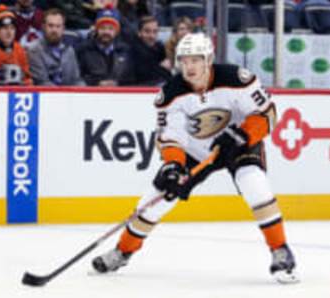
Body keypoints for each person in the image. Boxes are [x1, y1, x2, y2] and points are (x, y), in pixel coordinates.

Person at [91, 33, 299, 284]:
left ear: (208, 60)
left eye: (195, 60)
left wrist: (241, 135)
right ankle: (122, 251)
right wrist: (173, 165)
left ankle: (280, 250)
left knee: (255, 186)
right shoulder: (170, 94)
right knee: (155, 200)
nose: (189, 66)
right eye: (184, 60)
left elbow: (267, 115)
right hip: (196, 152)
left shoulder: (237, 79)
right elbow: (172, 137)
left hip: (239, 143)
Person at [75, 7, 135, 86]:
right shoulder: (83, 49)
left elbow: (131, 78)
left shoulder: (125, 51)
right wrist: (97, 83)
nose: (106, 32)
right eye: (102, 28)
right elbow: (77, 78)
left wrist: (118, 83)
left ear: (116, 31)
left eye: (110, 29)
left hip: (119, 95)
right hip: (91, 94)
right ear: (96, 29)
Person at [27, 9, 84, 86]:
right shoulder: (34, 49)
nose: (54, 30)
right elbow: (42, 82)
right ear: (43, 27)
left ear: (63, 28)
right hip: (46, 96)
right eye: (50, 26)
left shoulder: (69, 50)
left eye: (58, 26)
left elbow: (76, 80)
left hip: (69, 95)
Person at [131, 16, 171, 86]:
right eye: (147, 31)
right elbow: (145, 75)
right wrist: (162, 68)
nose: (151, 36)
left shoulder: (159, 48)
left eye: (155, 31)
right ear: (139, 32)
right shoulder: (133, 50)